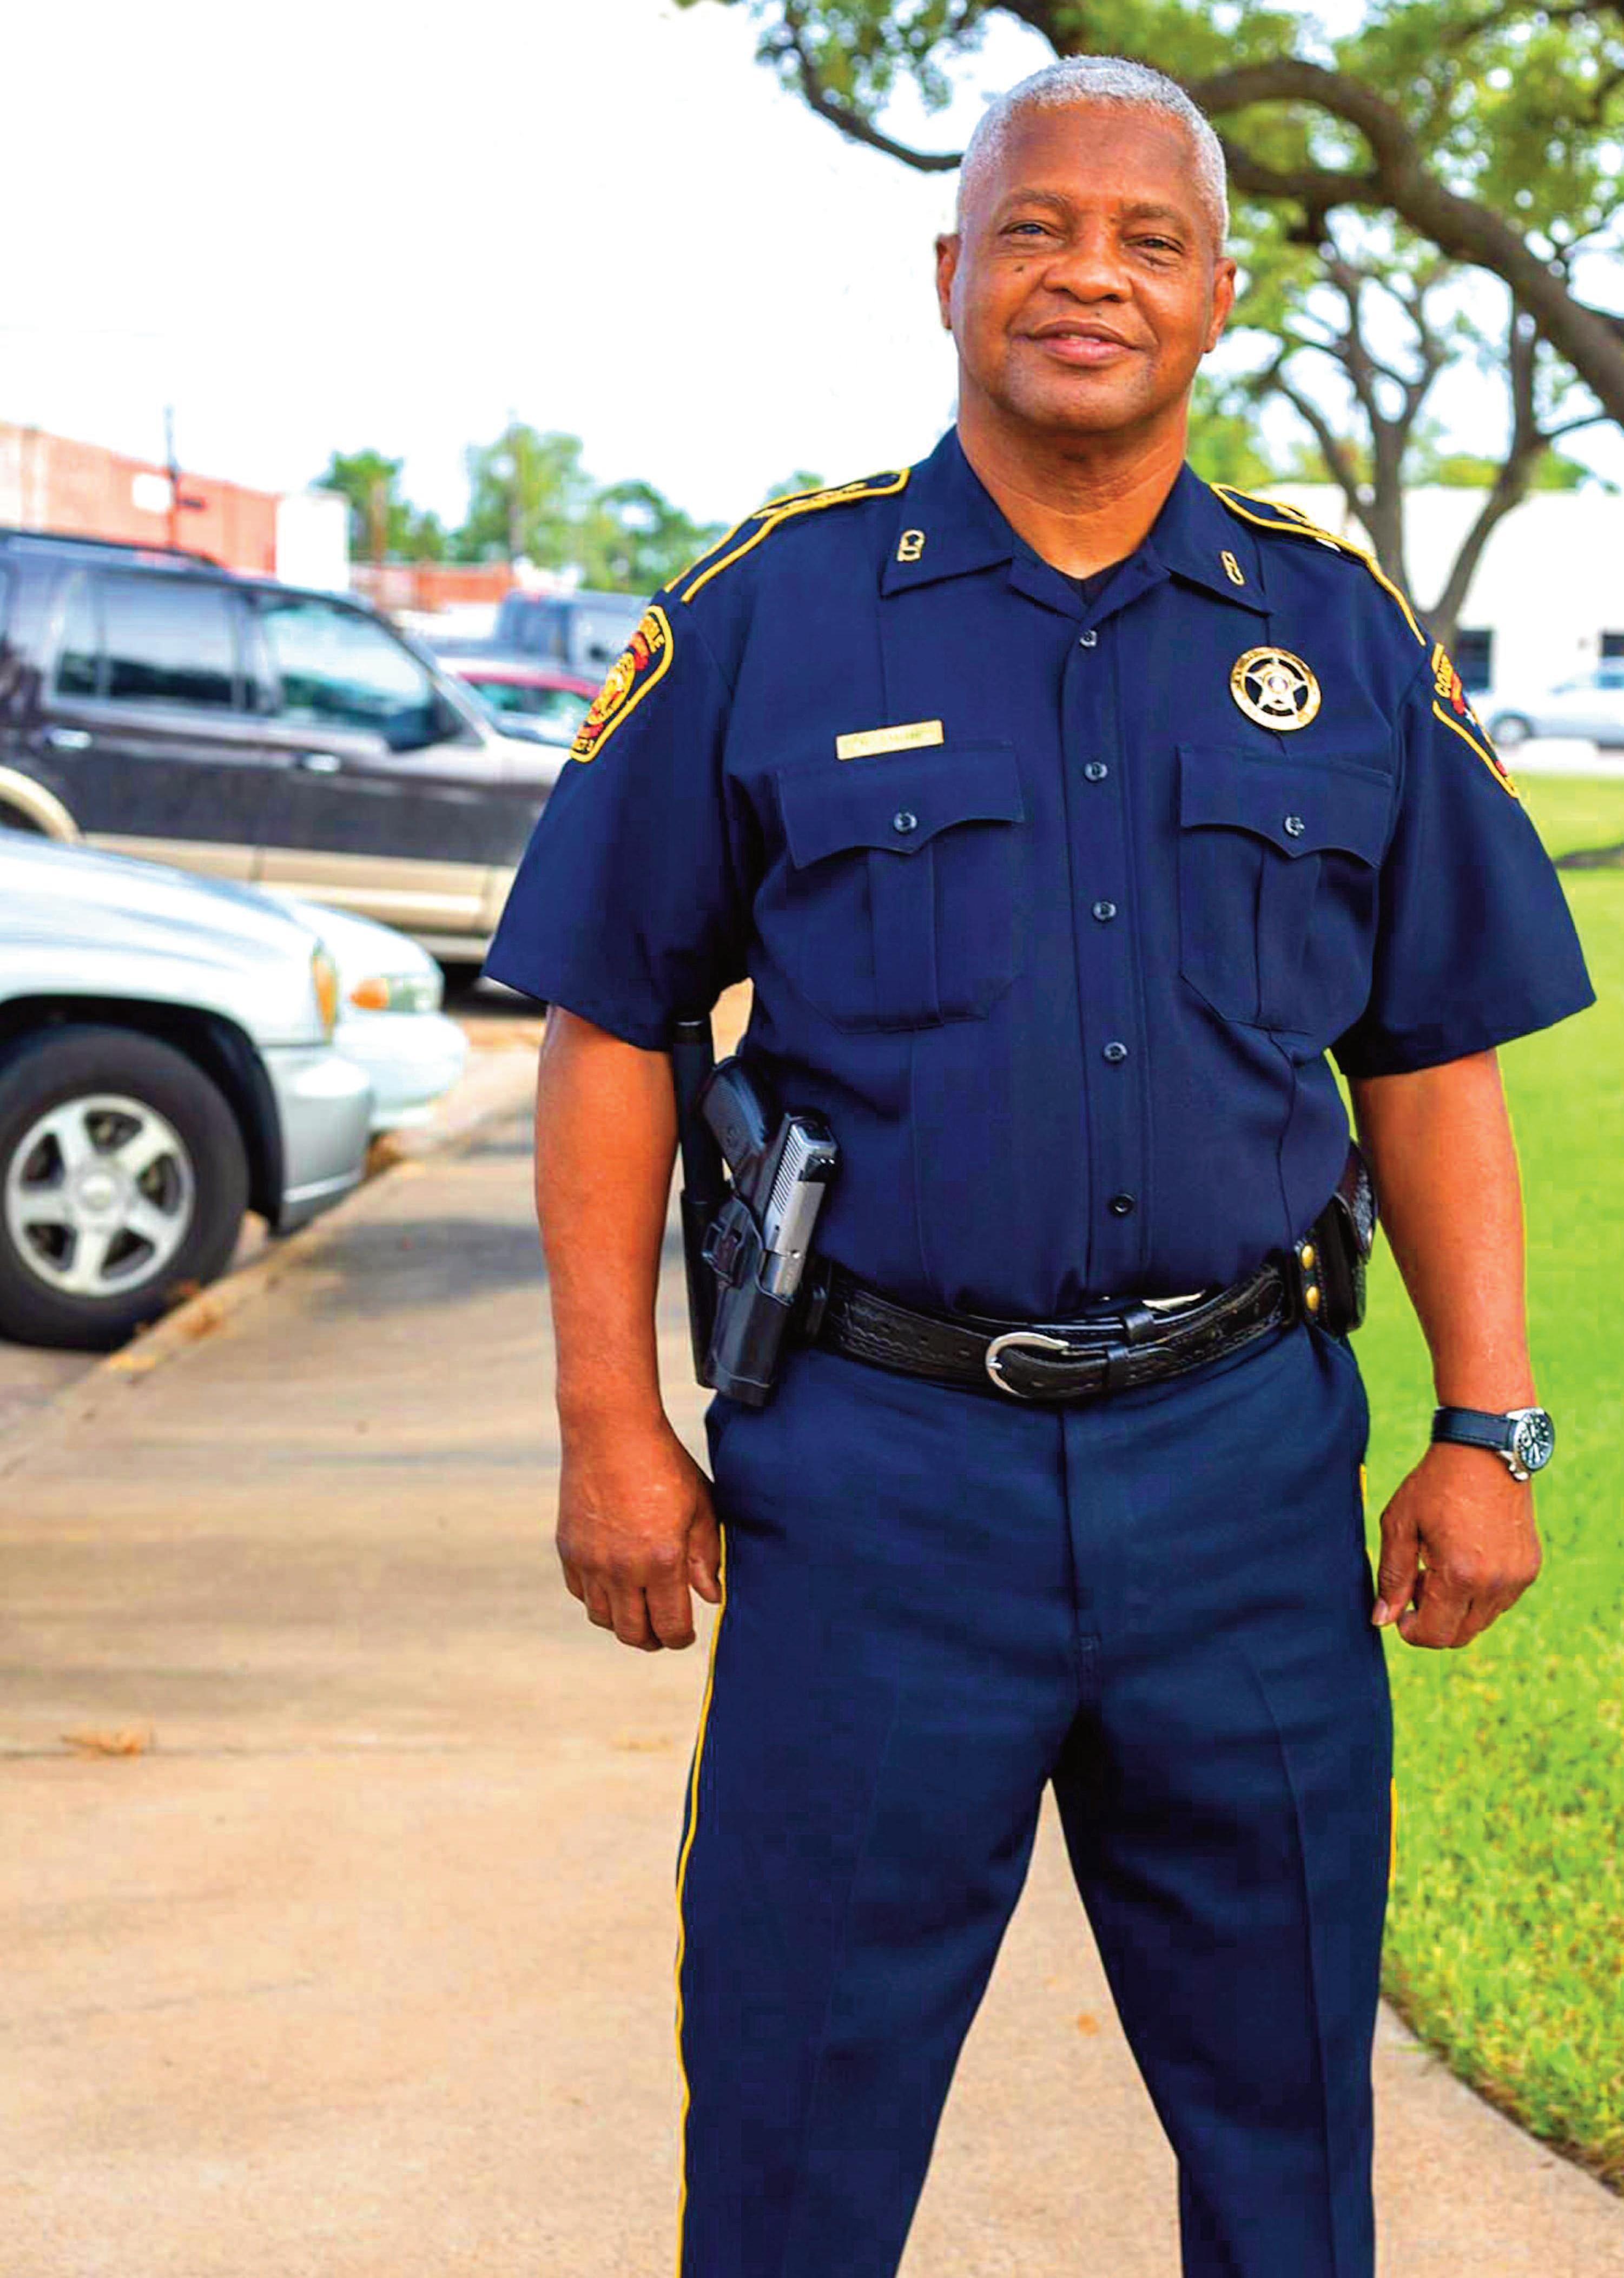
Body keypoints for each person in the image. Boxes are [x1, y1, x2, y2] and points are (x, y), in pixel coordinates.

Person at [484, 55, 1593, 2278]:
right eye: (1037, 229)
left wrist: (1487, 1426)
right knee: (794, 2140)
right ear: (950, 272)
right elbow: (609, 1027)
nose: (1089, 275)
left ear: (1216, 297)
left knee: (1287, 2144)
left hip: (1241, 1484)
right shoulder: (773, 615)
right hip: (879, 1486)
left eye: (1147, 239)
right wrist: (610, 1423)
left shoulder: (1335, 632)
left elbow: (1429, 1054)